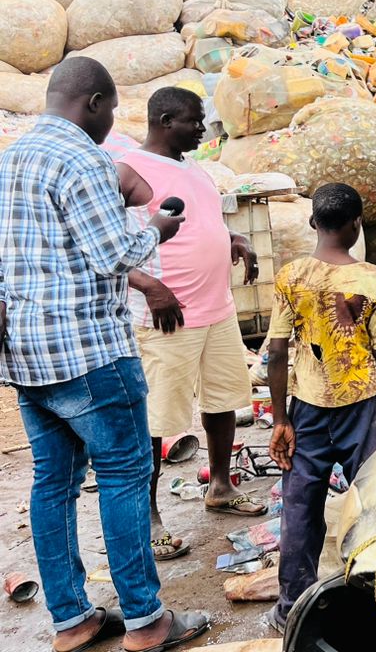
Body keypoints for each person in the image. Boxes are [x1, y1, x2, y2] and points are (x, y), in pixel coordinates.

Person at [0, 58, 209, 652]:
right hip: (89, 351)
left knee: (52, 485)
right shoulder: (83, 159)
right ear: (94, 102)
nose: (112, 119)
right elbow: (113, 254)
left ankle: (74, 620)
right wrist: (158, 230)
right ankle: (146, 621)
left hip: (26, 356)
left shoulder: (10, 158)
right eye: (112, 108)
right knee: (123, 477)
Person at [116, 87, 265, 564]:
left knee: (223, 402)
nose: (202, 129)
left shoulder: (192, 166)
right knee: (157, 422)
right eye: (193, 121)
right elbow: (101, 246)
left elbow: (204, 223)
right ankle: (150, 519)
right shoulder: (129, 171)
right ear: (164, 120)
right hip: (167, 316)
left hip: (216, 310)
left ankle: (220, 485)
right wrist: (149, 287)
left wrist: (233, 239)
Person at [266, 183, 376, 632]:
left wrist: (281, 419)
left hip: (305, 405)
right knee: (374, 502)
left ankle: (291, 610)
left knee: (300, 508)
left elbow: (278, 352)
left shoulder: (291, 276)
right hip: (361, 405)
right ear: (357, 224)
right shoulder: (371, 278)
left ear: (312, 223)